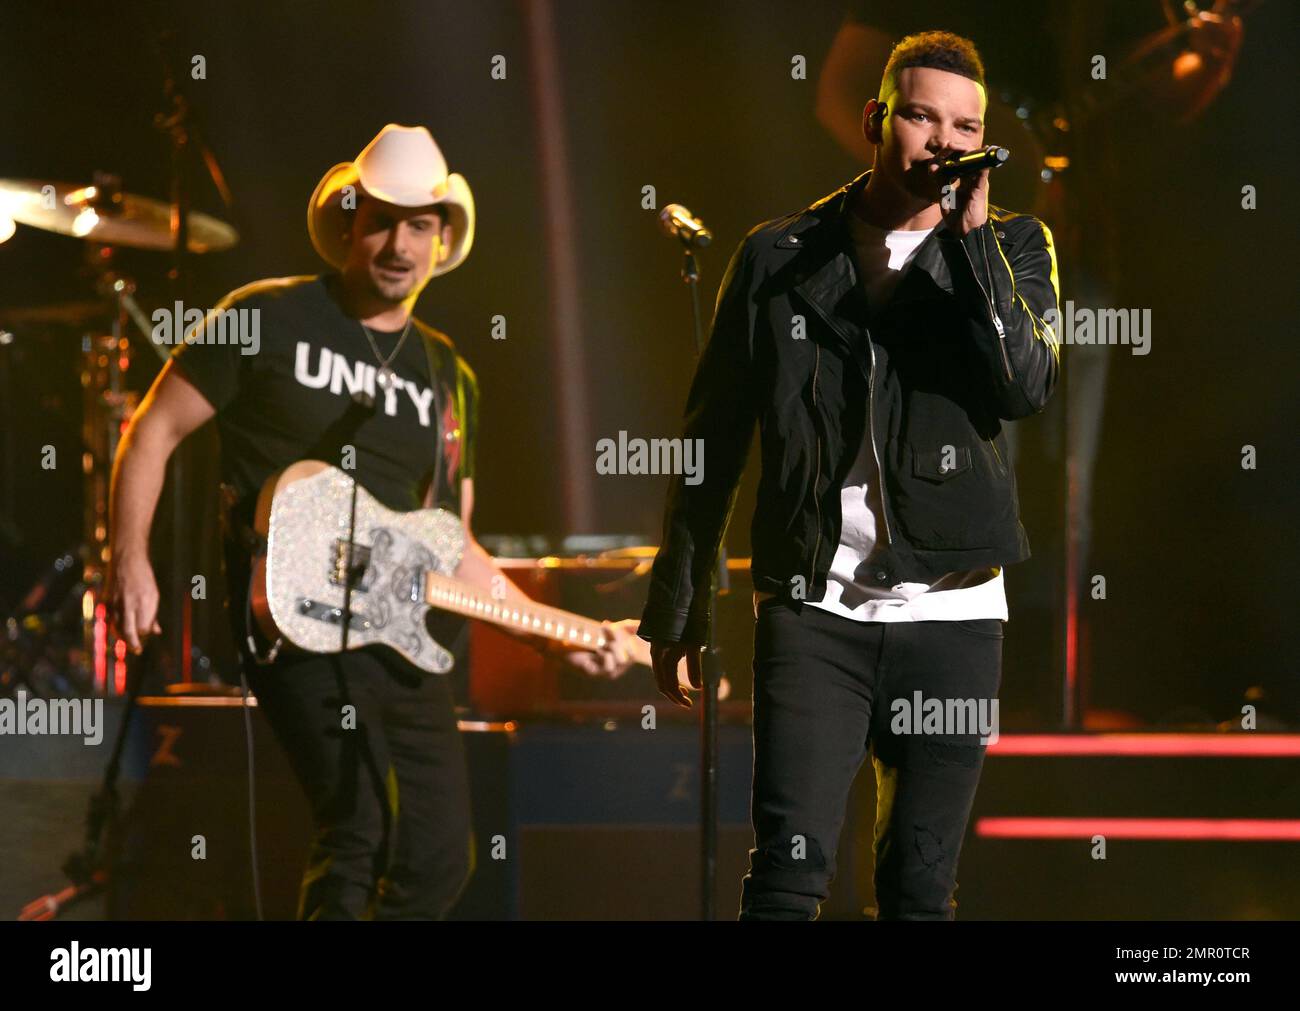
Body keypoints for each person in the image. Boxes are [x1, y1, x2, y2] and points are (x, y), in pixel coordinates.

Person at [107, 123, 640, 920]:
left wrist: (560, 632)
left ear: (443, 238)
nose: (398, 242)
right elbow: (152, 429)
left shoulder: (450, 377)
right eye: (382, 219)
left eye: (419, 224)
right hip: (297, 620)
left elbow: (453, 550)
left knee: (438, 858)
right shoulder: (266, 316)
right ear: (349, 223)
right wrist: (131, 559)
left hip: (405, 637)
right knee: (357, 824)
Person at [639, 32, 1061, 919]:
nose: (944, 141)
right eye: (921, 116)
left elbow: (1025, 386)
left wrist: (974, 243)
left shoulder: (1014, 248)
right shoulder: (778, 256)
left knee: (918, 887)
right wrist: (678, 603)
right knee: (787, 881)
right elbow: (709, 441)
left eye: (966, 124)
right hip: (811, 610)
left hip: (953, 615)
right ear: (876, 119)